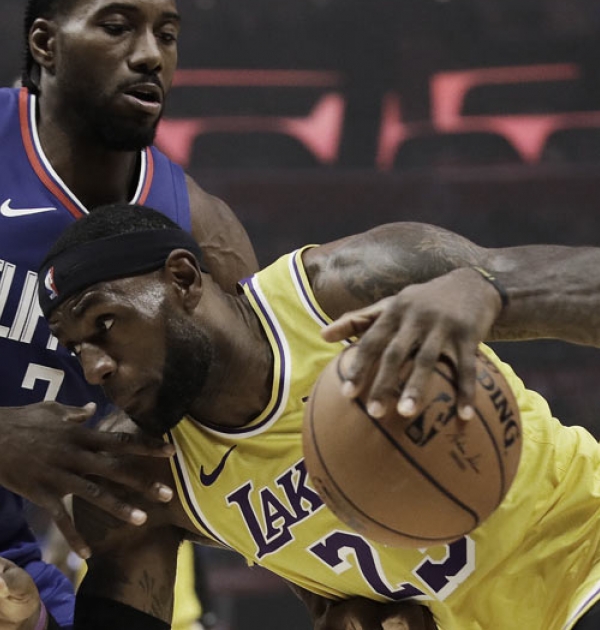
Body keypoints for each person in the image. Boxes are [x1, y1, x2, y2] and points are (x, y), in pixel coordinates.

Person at [31, 203, 600, 630]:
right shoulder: (142, 472)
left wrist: (493, 289)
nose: (95, 367)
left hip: (585, 556)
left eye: (105, 322)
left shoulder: (345, 287)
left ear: (182, 278)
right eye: (76, 348)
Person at [0, 0, 258, 627]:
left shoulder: (203, 237)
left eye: (166, 35)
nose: (149, 55)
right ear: (45, 43)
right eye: (117, 27)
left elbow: (269, 441)